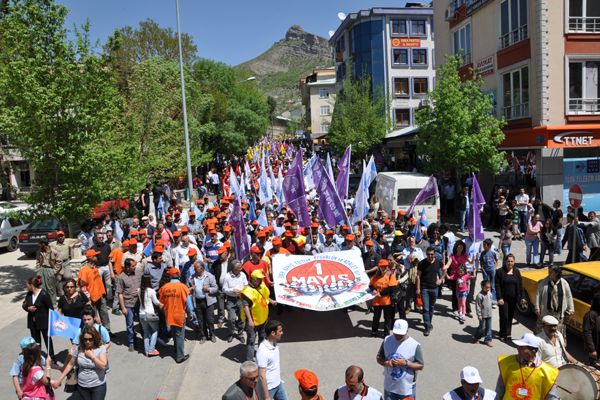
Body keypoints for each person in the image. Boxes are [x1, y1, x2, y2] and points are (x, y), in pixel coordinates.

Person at [495, 333, 560, 399]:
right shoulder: (507, 363)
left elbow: (552, 397)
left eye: (522, 347)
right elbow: (499, 390)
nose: (518, 348)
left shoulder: (548, 372)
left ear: (533, 351)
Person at [53, 325, 109, 400]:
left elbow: (103, 366)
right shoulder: (79, 349)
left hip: (98, 386)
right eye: (85, 339)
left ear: (95, 338)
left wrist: (92, 356)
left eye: (90, 339)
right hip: (82, 387)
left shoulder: (100, 348)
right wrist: (59, 380)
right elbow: (70, 364)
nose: (87, 342)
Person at [376, 319, 424, 400]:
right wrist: (387, 363)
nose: (398, 336)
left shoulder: (414, 345)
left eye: (401, 334)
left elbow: (421, 366)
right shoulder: (387, 340)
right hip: (390, 386)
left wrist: (405, 363)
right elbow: (379, 358)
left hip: (407, 387)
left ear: (407, 331)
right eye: (396, 334)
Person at [158, 268, 194, 363]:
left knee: (174, 334)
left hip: (169, 315)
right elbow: (188, 303)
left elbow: (161, 304)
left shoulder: (164, 288)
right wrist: (190, 314)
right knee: (179, 336)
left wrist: (165, 312)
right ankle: (179, 357)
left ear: (170, 275)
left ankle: (176, 350)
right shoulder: (183, 287)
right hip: (179, 316)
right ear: (178, 275)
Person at [241, 269, 275, 361]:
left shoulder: (261, 286)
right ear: (252, 279)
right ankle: (249, 360)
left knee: (262, 338)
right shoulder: (246, 291)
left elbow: (264, 297)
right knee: (251, 341)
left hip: (263, 318)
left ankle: (260, 356)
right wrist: (250, 321)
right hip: (253, 321)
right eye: (258, 279)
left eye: (261, 279)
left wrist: (271, 301)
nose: (260, 281)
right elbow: (246, 307)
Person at [535, 265, 574, 337]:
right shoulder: (543, 282)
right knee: (544, 331)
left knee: (557, 332)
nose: (549, 274)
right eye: (548, 272)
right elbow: (538, 295)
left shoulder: (564, 283)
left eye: (551, 272)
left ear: (556, 273)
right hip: (547, 312)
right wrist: (537, 308)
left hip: (558, 314)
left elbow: (569, 296)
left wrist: (571, 309)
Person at [495, 254, 526, 341]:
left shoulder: (516, 271)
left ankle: (508, 333)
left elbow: (520, 285)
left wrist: (522, 297)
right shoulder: (500, 272)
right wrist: (499, 298)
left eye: (512, 261)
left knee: (510, 316)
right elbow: (497, 286)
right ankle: (502, 333)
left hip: (513, 299)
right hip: (503, 299)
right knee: (504, 316)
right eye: (508, 261)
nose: (510, 263)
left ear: (514, 262)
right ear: (505, 262)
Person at [78, 249, 111, 333]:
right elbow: (82, 286)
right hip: (91, 299)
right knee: (94, 317)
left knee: (104, 315)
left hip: (100, 296)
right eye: (95, 256)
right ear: (91, 258)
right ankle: (95, 334)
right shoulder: (84, 270)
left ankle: (107, 331)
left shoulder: (95, 268)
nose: (97, 257)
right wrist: (88, 299)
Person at [22, 276, 55, 359]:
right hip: (32, 322)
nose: (26, 287)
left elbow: (51, 308)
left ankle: (51, 357)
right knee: (35, 341)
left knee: (47, 340)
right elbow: (24, 304)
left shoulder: (44, 294)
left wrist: (51, 321)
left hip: (44, 321)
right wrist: (28, 308)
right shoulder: (29, 294)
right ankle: (37, 357)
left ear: (31, 285)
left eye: (27, 285)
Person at [116, 258, 143, 352]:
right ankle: (131, 342)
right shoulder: (121, 277)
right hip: (128, 304)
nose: (135, 267)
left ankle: (144, 340)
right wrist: (123, 307)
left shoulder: (138, 273)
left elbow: (144, 283)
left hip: (139, 303)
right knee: (130, 324)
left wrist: (140, 290)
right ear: (127, 267)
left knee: (142, 321)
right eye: (133, 266)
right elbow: (119, 293)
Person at [256, 320, 287, 400]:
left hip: (278, 384)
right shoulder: (263, 351)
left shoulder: (274, 343)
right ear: (273, 333)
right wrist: (266, 396)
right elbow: (261, 376)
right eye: (280, 331)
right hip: (269, 389)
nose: (282, 333)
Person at [415, 247, 443, 336]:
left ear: (434, 254)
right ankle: (427, 327)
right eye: (428, 254)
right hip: (424, 289)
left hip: (434, 288)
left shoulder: (438, 262)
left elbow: (445, 269)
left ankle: (429, 323)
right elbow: (418, 276)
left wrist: (441, 279)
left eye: (431, 254)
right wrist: (418, 288)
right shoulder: (422, 263)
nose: (430, 256)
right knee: (426, 308)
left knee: (431, 307)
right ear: (426, 254)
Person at [189, 261, 218, 343]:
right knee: (201, 320)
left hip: (208, 301)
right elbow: (188, 288)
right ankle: (203, 336)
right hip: (197, 301)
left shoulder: (209, 276)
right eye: (194, 268)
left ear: (202, 268)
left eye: (196, 268)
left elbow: (216, 288)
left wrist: (208, 289)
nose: (194, 269)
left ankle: (212, 334)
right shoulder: (192, 277)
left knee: (209, 319)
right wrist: (192, 289)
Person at [370, 259, 398, 337]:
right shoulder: (376, 276)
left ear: (387, 267)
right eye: (382, 266)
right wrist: (374, 290)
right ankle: (374, 331)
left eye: (385, 266)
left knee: (387, 318)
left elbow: (392, 288)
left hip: (387, 301)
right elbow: (370, 285)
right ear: (379, 267)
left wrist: (381, 293)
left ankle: (386, 333)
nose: (383, 268)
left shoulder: (391, 276)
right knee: (376, 317)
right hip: (377, 301)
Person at [222, 260, 248, 343]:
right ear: (233, 268)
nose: (241, 269)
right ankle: (231, 333)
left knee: (242, 318)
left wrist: (242, 291)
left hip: (241, 299)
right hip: (231, 300)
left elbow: (246, 285)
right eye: (239, 268)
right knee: (231, 319)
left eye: (241, 267)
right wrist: (232, 290)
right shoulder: (227, 276)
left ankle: (240, 334)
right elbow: (224, 289)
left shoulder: (243, 275)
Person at [139, 274, 162, 357]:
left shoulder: (139, 290)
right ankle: (152, 349)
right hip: (150, 314)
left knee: (146, 333)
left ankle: (146, 351)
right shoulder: (151, 291)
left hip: (141, 314)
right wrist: (161, 304)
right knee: (155, 331)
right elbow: (156, 302)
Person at [35, 240, 60, 307]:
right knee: (42, 288)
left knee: (51, 288)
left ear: (43, 244)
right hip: (42, 269)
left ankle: (53, 303)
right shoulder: (39, 252)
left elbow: (59, 262)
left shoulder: (53, 251)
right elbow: (37, 261)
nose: (39, 245)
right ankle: (45, 304)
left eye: (40, 244)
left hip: (50, 269)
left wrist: (54, 271)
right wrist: (38, 270)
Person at [473, 280, 493, 347]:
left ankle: (488, 339)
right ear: (482, 286)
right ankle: (477, 337)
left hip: (489, 314)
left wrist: (497, 303)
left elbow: (491, 302)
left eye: (489, 287)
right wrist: (479, 315)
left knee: (489, 328)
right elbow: (478, 306)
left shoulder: (489, 294)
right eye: (486, 287)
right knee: (482, 327)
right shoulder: (479, 296)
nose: (488, 289)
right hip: (482, 315)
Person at [583, 293, 600, 368]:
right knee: (595, 370)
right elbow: (587, 333)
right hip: (595, 350)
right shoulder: (591, 315)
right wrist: (592, 350)